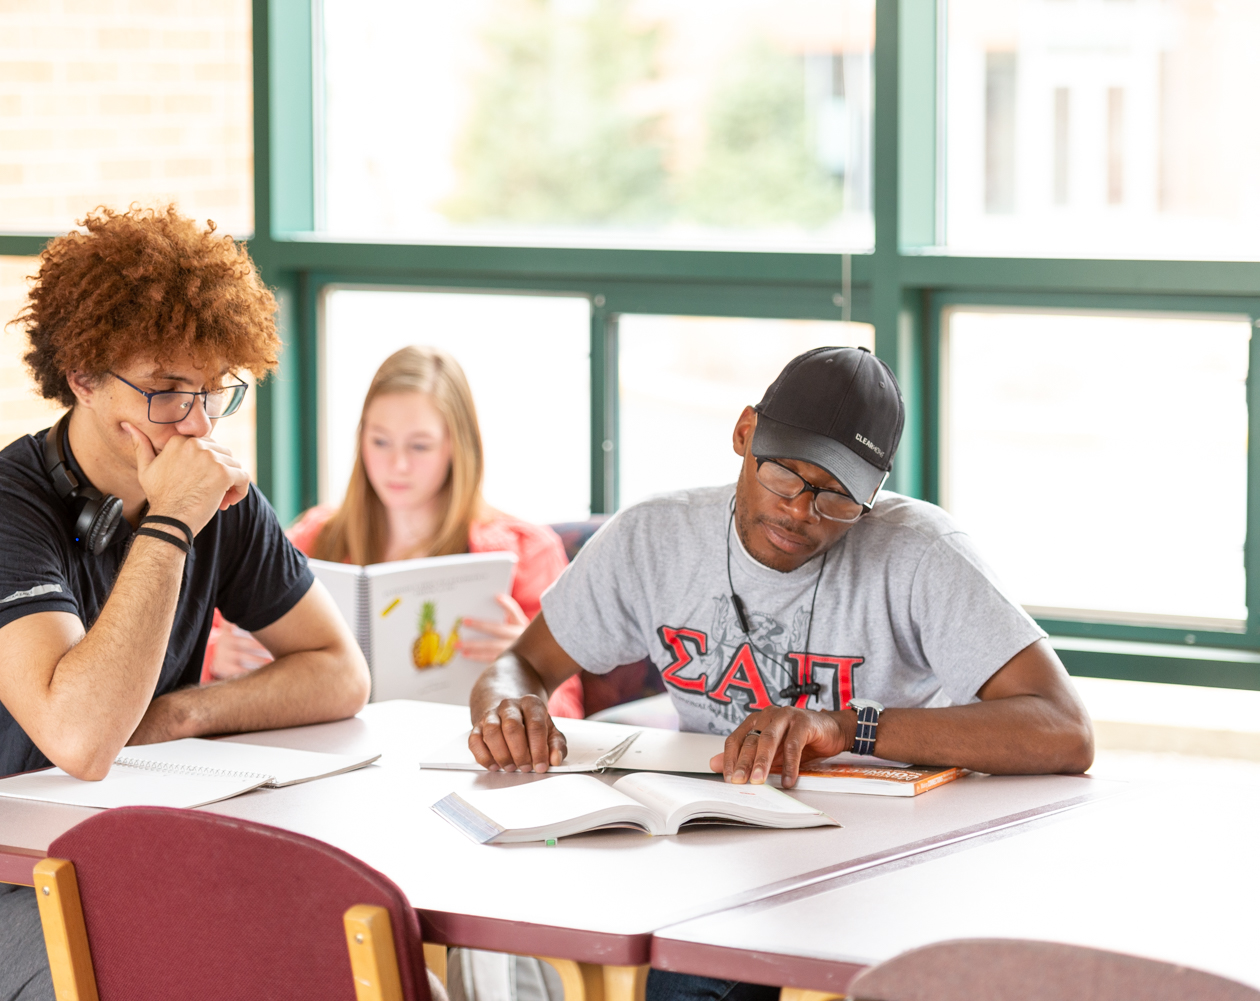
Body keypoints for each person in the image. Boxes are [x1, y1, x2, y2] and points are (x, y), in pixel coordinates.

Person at [466, 345, 1096, 1001]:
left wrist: (848, 727)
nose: (801, 511)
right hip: (715, 862)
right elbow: (522, 664)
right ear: (744, 434)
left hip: (882, 867)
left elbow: (1064, 729)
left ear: (874, 494)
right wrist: (508, 708)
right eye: (785, 477)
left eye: (838, 497)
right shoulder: (653, 537)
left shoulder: (922, 553)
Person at [0, 205, 371, 1001]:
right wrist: (172, 522)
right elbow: (82, 736)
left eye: (216, 392)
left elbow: (339, 671)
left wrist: (181, 714)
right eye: (169, 392)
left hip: (149, 864)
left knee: (349, 957)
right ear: (83, 376)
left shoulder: (214, 490)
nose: (200, 423)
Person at [211, 344, 570, 680]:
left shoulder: (529, 553)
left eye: (420, 445)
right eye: (380, 441)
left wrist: (530, 673)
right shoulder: (313, 536)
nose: (397, 465)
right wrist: (217, 656)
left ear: (457, 447)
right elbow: (204, 639)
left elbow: (568, 715)